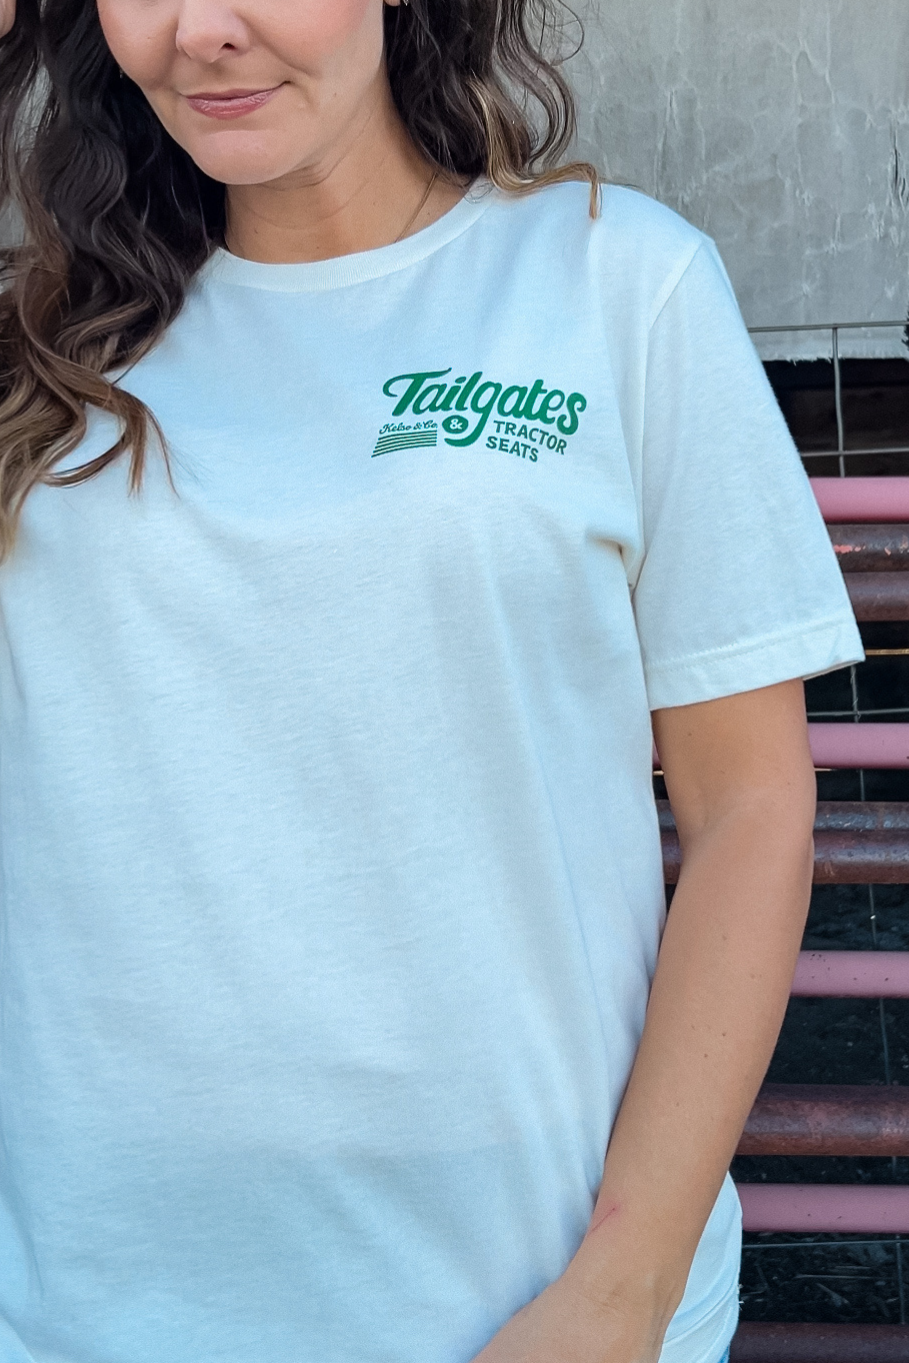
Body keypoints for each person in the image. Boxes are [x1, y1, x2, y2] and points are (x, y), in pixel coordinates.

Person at [0, 2, 862, 1361]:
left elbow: (754, 808)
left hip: (529, 1296)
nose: (199, 31)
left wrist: (621, 1292)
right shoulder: (39, 359)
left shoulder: (614, 283)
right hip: (89, 1300)